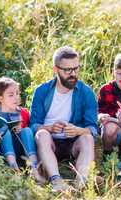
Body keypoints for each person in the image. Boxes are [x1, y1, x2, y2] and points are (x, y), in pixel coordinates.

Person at [29, 46, 101, 191]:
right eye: (68, 70)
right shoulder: (41, 91)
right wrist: (49, 128)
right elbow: (33, 125)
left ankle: (82, 183)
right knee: (42, 134)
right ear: (56, 70)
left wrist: (78, 131)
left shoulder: (86, 92)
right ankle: (57, 180)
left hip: (72, 145)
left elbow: (93, 129)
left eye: (76, 68)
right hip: (49, 145)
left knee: (87, 138)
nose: (73, 74)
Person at [0, 78, 46, 184]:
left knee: (27, 130)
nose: (16, 98)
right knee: (5, 130)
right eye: (11, 95)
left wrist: (20, 131)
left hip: (17, 149)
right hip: (0, 150)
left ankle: (35, 168)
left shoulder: (22, 112)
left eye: (17, 93)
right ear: (0, 98)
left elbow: (28, 138)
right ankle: (13, 168)